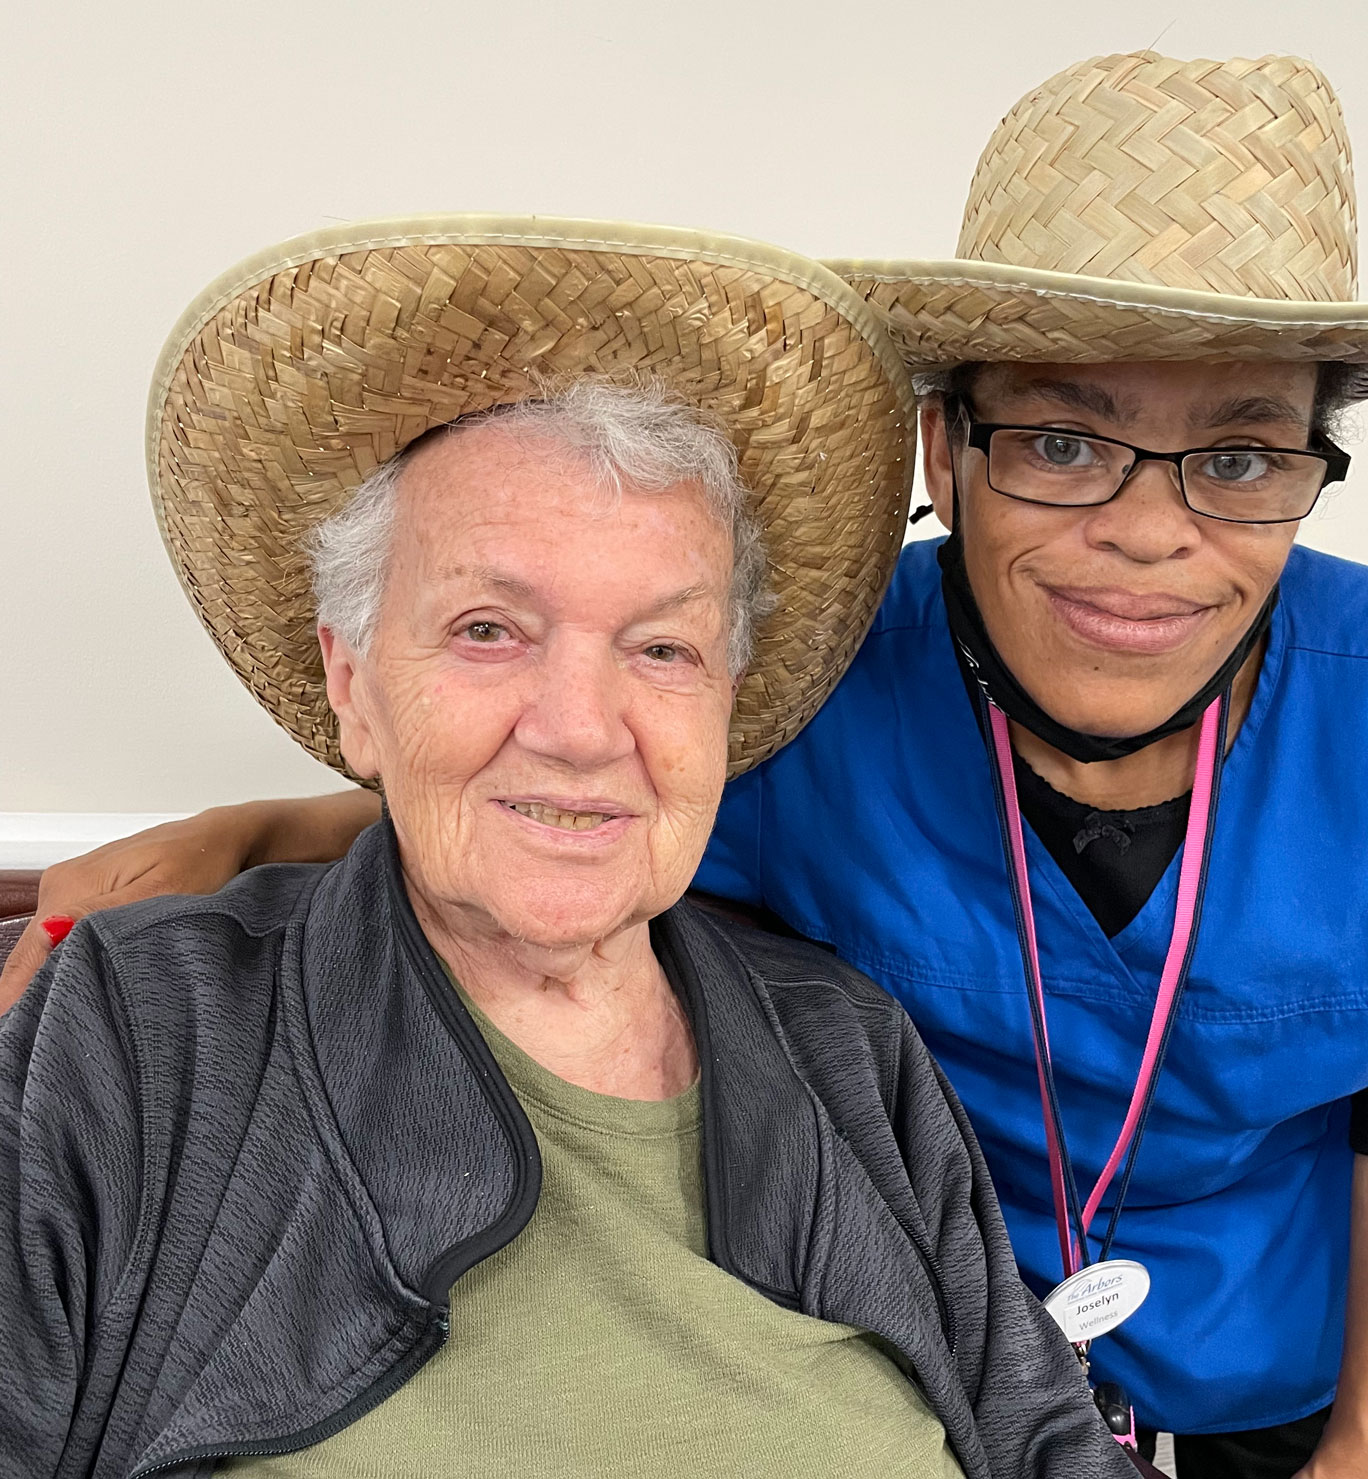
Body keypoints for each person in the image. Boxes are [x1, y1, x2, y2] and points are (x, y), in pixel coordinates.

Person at [8, 51, 1368, 1479]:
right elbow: (549, 795)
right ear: (946, 446)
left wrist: (1366, 1444)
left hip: (1281, 1334)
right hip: (964, 1293)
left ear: (1311, 461)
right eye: (1062, 440)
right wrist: (247, 828)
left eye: (1240, 457)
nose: (1149, 529)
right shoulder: (819, 685)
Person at [0, 219, 1136, 1479]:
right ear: (354, 682)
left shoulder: (843, 1044)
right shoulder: (146, 1024)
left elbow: (1044, 1441)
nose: (584, 730)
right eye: (490, 629)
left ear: (725, 702)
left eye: (661, 649)